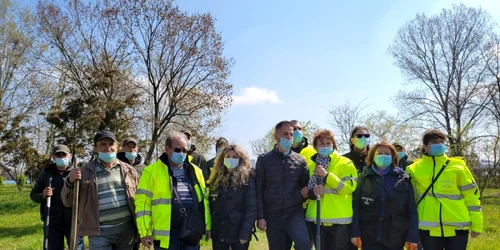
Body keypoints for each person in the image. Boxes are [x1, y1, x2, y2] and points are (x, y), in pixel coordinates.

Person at [406, 129, 483, 250]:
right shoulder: (413, 170)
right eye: (434, 142)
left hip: (457, 227)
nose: (439, 144)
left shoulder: (458, 166)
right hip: (428, 229)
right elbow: (410, 201)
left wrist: (477, 224)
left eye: (442, 141)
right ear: (425, 146)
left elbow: (471, 196)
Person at [62, 131, 139, 250]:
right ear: (95, 148)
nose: (108, 148)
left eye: (111, 144)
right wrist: (70, 182)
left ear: (117, 146)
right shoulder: (84, 172)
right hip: (99, 233)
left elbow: (140, 199)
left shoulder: (129, 170)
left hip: (127, 230)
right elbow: (67, 202)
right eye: (103, 144)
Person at [135, 131, 211, 250]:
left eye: (185, 150)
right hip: (166, 236)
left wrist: (207, 226)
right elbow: (142, 204)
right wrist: (144, 231)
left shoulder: (196, 171)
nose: (182, 153)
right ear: (166, 149)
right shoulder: (151, 171)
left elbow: (204, 202)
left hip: (191, 231)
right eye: (177, 150)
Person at [351, 141, 419, 250]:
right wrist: (355, 232)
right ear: (372, 157)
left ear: (393, 157)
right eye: (379, 153)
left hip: (395, 237)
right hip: (368, 236)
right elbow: (355, 206)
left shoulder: (403, 178)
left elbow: (411, 209)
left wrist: (413, 236)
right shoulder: (364, 177)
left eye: (387, 153)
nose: (383, 156)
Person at [255, 121, 311, 250]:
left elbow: (305, 187)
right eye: (285, 134)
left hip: (294, 212)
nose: (289, 137)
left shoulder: (301, 161)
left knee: (304, 244)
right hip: (272, 214)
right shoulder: (264, 159)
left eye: (291, 134)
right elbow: (259, 189)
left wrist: (302, 195)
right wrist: (261, 217)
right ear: (276, 136)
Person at [305, 129, 358, 250]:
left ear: (333, 144)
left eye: (328, 143)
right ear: (316, 147)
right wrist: (312, 192)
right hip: (315, 219)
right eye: (321, 144)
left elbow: (348, 189)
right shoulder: (310, 166)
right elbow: (306, 191)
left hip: (339, 221)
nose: (325, 146)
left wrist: (327, 176)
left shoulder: (345, 163)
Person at [30, 145, 84, 250]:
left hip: (74, 222)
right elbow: (33, 195)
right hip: (52, 222)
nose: (61, 157)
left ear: (70, 155)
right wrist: (43, 195)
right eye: (58, 155)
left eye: (64, 154)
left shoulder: (77, 173)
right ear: (53, 156)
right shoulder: (46, 174)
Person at [207, 144, 257, 250]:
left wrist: (245, 234)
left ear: (240, 160)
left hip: (238, 234)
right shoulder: (215, 179)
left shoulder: (247, 179)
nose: (231, 159)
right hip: (219, 233)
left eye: (235, 157)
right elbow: (211, 206)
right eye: (228, 157)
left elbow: (251, 208)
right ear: (222, 159)